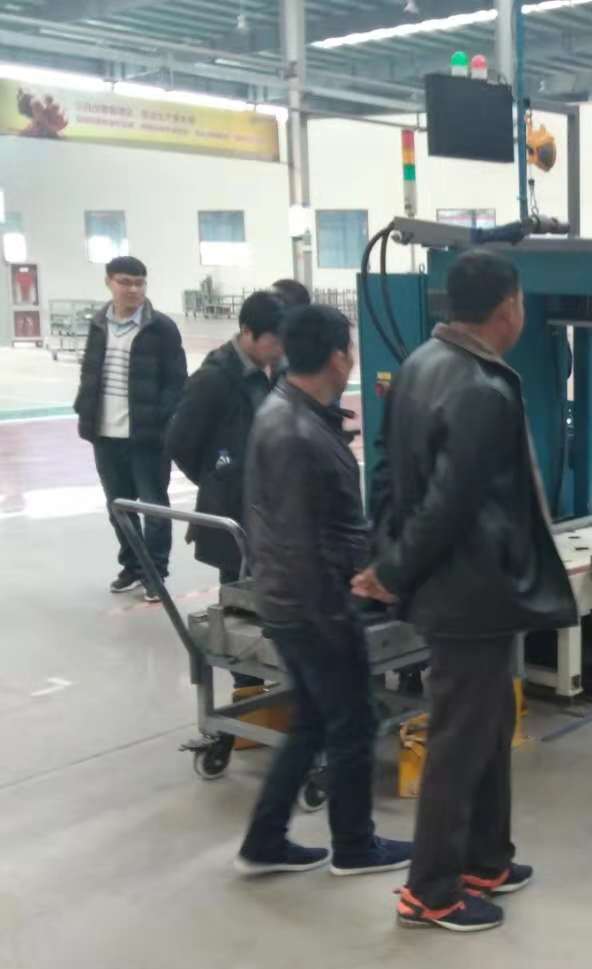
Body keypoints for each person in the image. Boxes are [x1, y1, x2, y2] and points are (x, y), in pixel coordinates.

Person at [353, 251, 578, 933]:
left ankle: (485, 857)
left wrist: (388, 555)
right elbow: (449, 503)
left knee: (489, 724)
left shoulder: (420, 364)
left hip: (461, 586)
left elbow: (387, 475)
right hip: (470, 590)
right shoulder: (481, 387)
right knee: (459, 738)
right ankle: (431, 891)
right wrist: (393, 571)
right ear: (509, 307)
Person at [234, 304, 411, 877]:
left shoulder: (288, 412)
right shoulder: (297, 432)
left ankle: (264, 840)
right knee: (354, 722)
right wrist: (344, 603)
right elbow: (298, 540)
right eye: (350, 350)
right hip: (313, 607)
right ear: (339, 357)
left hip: (293, 599)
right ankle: (356, 846)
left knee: (312, 721)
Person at [74, 255, 186, 603]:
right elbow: (90, 372)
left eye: (139, 283)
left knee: (154, 507)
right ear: (109, 282)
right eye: (125, 282)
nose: (133, 289)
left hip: (147, 436)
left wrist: (161, 419)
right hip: (105, 433)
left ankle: (155, 573)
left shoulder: (161, 327)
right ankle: (133, 566)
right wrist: (85, 409)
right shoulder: (98, 325)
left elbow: (177, 382)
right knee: (118, 507)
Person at [167, 291, 287, 586]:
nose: (280, 349)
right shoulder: (213, 379)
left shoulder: (271, 372)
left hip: (267, 506)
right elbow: (179, 442)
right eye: (273, 340)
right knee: (238, 589)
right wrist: (219, 476)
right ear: (247, 331)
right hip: (234, 505)